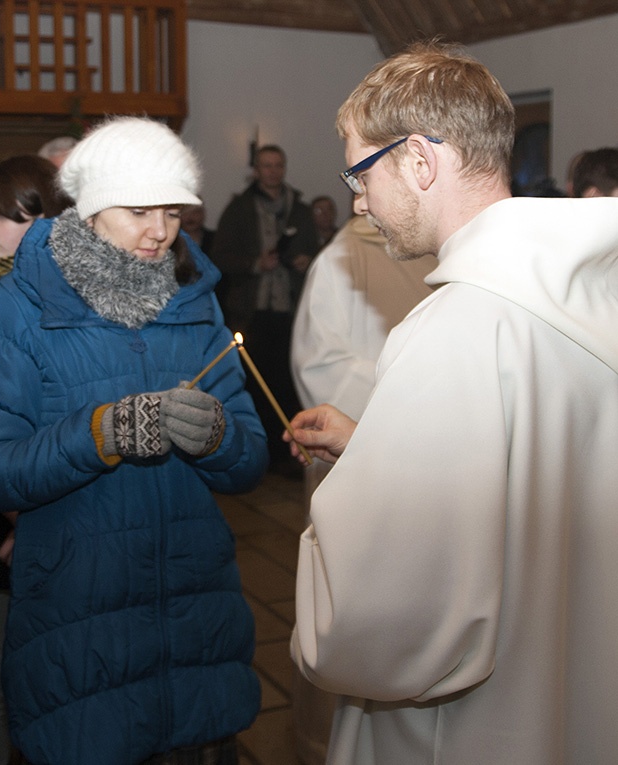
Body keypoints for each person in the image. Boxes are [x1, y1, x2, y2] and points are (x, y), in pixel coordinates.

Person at [284, 41, 618, 765]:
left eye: (360, 171)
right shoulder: (590, 293)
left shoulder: (456, 328)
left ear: (420, 161)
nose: (358, 199)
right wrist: (376, 445)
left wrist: (341, 512)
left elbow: (375, 618)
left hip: (464, 727)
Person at [0, 116, 269, 765]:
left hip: (193, 606)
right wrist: (97, 434)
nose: (159, 230)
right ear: (92, 207)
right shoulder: (22, 305)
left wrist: (218, 436)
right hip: (81, 616)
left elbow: (249, 459)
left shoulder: (194, 298)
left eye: (171, 211)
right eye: (137, 209)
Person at [289, 210, 435, 765]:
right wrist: (416, 389)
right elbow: (320, 364)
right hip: (354, 458)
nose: (359, 204)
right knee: (350, 613)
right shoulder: (341, 260)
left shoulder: (448, 250)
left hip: (430, 472)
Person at [0, 154, 70, 765]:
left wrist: (35, 522)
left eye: (7, 213)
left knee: (52, 680)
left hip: (51, 512)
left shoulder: (66, 299)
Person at [211, 144, 317, 473]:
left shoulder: (300, 209)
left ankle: (288, 453)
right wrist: (258, 263)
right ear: (256, 170)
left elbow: (316, 251)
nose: (272, 171)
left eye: (277, 165)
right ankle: (259, 452)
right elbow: (220, 257)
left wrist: (306, 261)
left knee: (287, 384)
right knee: (256, 385)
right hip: (252, 311)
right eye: (266, 166)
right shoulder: (239, 208)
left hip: (290, 310)